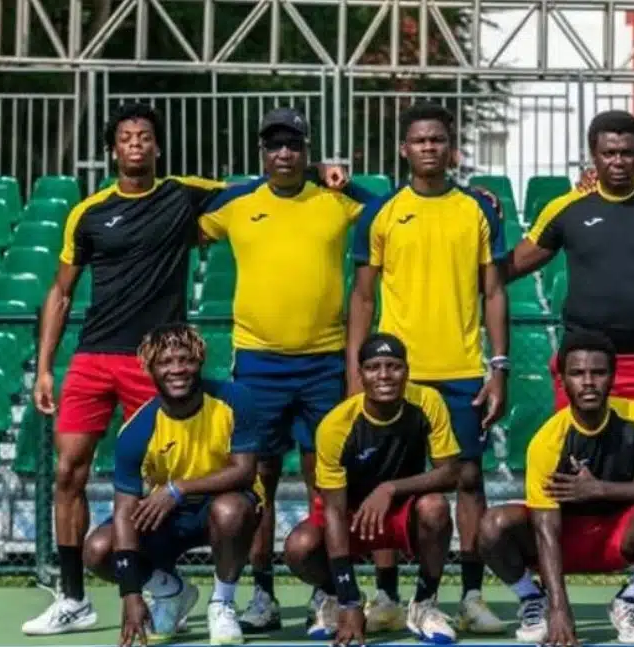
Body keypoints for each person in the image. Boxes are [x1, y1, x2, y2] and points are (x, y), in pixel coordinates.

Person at [22, 103, 227, 636]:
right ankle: (72, 598)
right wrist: (45, 368)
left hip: (155, 361)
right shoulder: (88, 212)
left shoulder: (184, 194)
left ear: (157, 147)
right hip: (92, 357)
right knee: (69, 472)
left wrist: (325, 174)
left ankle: (162, 582)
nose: (136, 143)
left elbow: (257, 191)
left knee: (155, 480)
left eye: (145, 136)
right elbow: (61, 294)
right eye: (126, 137)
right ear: (114, 149)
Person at [505, 109, 634, 633]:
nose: (617, 161)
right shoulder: (567, 208)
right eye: (608, 152)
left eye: (627, 152)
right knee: (564, 476)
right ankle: (552, 598)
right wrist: (467, 254)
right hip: (581, 370)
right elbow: (514, 264)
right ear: (592, 156)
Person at [197, 107, 375, 634]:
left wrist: (347, 178)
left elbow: (392, 208)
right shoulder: (238, 205)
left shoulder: (335, 201)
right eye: (273, 145)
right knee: (258, 482)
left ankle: (325, 589)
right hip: (258, 363)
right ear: (262, 152)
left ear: (307, 150)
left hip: (324, 361)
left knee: (326, 478)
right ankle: (263, 594)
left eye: (293, 145)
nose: (283, 154)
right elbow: (181, 222)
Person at [347, 101, 508, 634]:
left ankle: (470, 595)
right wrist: (357, 373)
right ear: (405, 149)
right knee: (388, 479)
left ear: (450, 147)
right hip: (398, 376)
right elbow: (364, 299)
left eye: (438, 140)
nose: (429, 149)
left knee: (468, 480)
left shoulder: (477, 210)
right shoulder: (381, 213)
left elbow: (493, 292)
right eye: (419, 141)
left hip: (462, 371)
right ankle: (389, 596)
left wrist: (499, 366)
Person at [478, 329, 634, 645]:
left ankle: (630, 601)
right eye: (577, 373)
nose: (588, 382)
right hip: (563, 538)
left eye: (598, 372)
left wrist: (600, 489)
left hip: (618, 535)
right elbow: (545, 529)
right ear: (562, 380)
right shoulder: (547, 442)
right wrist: (560, 609)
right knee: (493, 525)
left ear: (612, 376)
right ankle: (535, 600)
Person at [80, 323, 266, 646]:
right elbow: (125, 512)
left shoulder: (236, 399)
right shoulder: (136, 431)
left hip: (225, 507)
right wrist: (131, 593)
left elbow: (245, 472)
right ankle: (171, 593)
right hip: (169, 517)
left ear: (200, 362)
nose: (177, 369)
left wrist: (177, 488)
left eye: (185, 360)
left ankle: (222, 604)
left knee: (229, 510)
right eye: (165, 362)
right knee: (98, 549)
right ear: (150, 368)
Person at [283, 333, 461, 644]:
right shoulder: (336, 426)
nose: (384, 376)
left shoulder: (428, 402)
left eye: (393, 366)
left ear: (407, 370)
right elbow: (335, 512)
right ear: (360, 374)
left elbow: (451, 473)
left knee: (436, 507)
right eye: (373, 367)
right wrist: (351, 603)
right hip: (352, 516)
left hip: (403, 513)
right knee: (298, 547)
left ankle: (423, 604)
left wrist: (390, 488)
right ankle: (337, 597)